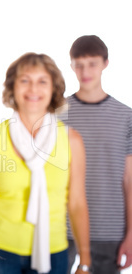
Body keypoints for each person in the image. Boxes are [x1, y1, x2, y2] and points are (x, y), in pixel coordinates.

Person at [0, 53, 91, 274]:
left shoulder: (72, 140)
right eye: (25, 80)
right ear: (13, 86)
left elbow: (77, 202)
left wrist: (84, 262)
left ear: (54, 88)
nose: (33, 89)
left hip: (54, 252)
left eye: (42, 81)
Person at [61, 35, 132, 274]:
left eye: (92, 63)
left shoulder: (126, 116)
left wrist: (131, 233)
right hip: (62, 225)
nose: (85, 71)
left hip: (109, 228)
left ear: (105, 63)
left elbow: (129, 180)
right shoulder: (57, 113)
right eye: (79, 64)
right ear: (71, 66)